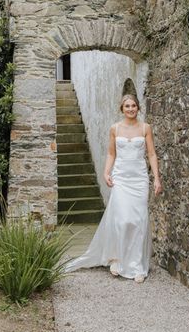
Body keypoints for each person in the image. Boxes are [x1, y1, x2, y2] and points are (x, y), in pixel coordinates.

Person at [65, 94, 162, 283]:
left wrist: (156, 178)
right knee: (122, 220)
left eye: (134, 105)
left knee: (138, 220)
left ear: (138, 108)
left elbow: (151, 154)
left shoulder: (145, 128)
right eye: (127, 106)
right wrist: (106, 172)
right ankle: (117, 259)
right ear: (122, 108)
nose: (131, 109)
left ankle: (137, 266)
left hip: (139, 179)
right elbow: (111, 153)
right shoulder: (115, 128)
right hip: (121, 178)